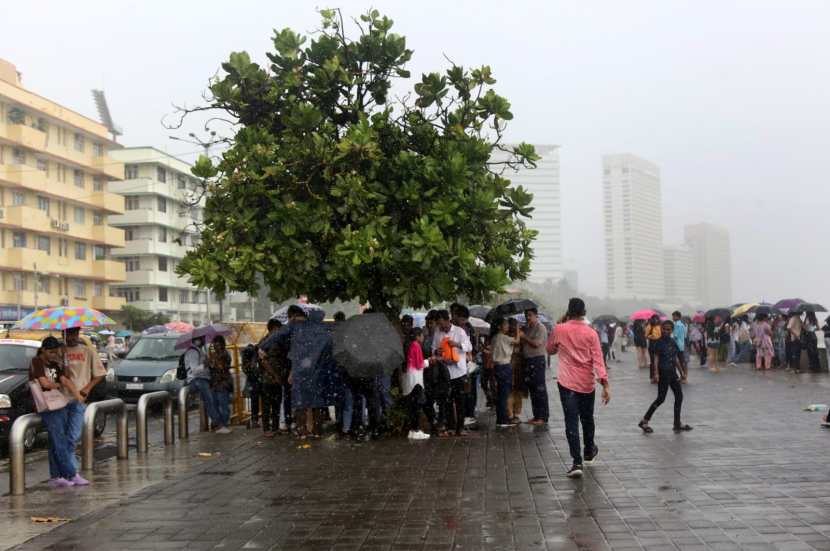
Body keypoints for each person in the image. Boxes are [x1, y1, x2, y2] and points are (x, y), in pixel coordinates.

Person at [549, 298, 610, 478]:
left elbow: (550, 350)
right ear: (584, 312)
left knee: (571, 421)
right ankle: (589, 450)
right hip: (586, 384)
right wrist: (605, 385)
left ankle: (576, 462)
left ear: (568, 311)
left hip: (566, 383)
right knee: (587, 418)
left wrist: (560, 328)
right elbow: (598, 360)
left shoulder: (559, 329)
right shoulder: (591, 333)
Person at [31, 337, 87, 488]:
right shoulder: (36, 361)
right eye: (50, 351)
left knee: (55, 442)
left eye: (55, 351)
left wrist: (78, 396)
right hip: (46, 406)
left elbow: (66, 381)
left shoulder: (56, 364)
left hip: (58, 404)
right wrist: (56, 384)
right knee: (60, 440)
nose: (53, 354)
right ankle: (71, 474)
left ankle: (56, 476)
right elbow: (44, 383)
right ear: (43, 350)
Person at [62, 327, 106, 475]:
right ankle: (69, 469)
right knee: (62, 437)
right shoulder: (59, 352)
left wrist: (87, 388)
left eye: (74, 334)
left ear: (78, 334)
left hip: (79, 398)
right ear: (64, 334)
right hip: (60, 399)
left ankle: (71, 469)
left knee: (73, 436)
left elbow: (99, 374)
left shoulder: (88, 351)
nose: (71, 337)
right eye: (68, 334)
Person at [638, 320, 692, 434]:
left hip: (672, 373)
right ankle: (644, 421)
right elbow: (656, 359)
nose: (666, 331)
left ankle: (677, 423)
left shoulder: (673, 342)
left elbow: (676, 358)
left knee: (679, 396)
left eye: (669, 329)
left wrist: (681, 372)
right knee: (661, 398)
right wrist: (656, 373)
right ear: (661, 329)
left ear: (672, 331)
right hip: (663, 372)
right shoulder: (658, 342)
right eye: (664, 329)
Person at [431, 309, 472, 436]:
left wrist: (457, 344)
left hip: (459, 372)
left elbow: (469, 347)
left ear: (448, 320)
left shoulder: (459, 331)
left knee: (460, 401)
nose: (440, 326)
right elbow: (433, 348)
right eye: (438, 324)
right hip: (445, 372)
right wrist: (436, 352)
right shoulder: (438, 333)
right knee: (447, 401)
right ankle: (451, 427)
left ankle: (460, 428)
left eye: (442, 323)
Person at [184, 335, 222, 430]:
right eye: (201, 339)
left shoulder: (201, 350)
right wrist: (205, 364)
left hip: (204, 378)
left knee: (212, 398)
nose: (203, 341)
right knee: (209, 399)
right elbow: (194, 370)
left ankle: (215, 422)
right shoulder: (193, 351)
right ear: (196, 340)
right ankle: (216, 421)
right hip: (196, 380)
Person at [402, 328, 433, 439]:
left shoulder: (407, 345)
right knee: (417, 406)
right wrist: (429, 360)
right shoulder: (415, 345)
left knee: (412, 406)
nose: (423, 338)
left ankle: (412, 430)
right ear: (418, 336)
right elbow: (419, 364)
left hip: (409, 379)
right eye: (422, 335)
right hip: (416, 380)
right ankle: (415, 430)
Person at [520, 308, 549, 425]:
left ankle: (543, 417)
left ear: (536, 316)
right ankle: (536, 415)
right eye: (526, 315)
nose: (528, 317)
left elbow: (537, 344)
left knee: (539, 389)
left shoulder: (540, 328)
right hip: (528, 361)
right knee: (532, 389)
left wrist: (524, 337)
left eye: (530, 315)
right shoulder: (527, 328)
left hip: (537, 361)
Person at [490, 317, 519, 428]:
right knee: (504, 394)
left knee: (501, 393)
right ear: (500, 327)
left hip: (497, 367)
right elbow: (517, 341)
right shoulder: (504, 338)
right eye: (505, 325)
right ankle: (502, 420)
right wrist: (517, 329)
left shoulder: (495, 338)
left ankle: (501, 418)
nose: (507, 326)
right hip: (504, 366)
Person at [208, 336, 233, 433]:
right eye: (214, 344)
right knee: (214, 405)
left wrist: (214, 360)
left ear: (222, 344)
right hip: (214, 383)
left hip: (223, 383)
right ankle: (218, 425)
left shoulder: (225, 354)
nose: (215, 346)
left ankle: (224, 424)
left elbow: (222, 367)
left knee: (223, 405)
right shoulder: (214, 354)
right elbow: (211, 367)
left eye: (217, 344)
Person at [507, 318, 527, 423]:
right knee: (513, 391)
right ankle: (512, 414)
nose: (513, 328)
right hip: (513, 366)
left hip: (518, 367)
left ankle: (514, 414)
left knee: (516, 391)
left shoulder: (521, 336)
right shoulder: (508, 336)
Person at [671, 311, 688, 383]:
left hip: (676, 345)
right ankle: (683, 377)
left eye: (674, 316)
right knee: (681, 361)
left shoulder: (676, 325)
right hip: (681, 345)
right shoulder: (683, 325)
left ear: (678, 317)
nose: (673, 318)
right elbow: (685, 336)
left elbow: (675, 336)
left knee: (678, 361)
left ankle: (683, 377)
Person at [645, 316, 662, 383]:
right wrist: (650, 336)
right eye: (654, 319)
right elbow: (646, 336)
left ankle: (658, 376)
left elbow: (662, 335)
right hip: (652, 345)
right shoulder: (649, 326)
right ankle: (652, 377)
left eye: (656, 319)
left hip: (659, 344)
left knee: (659, 361)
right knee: (652, 362)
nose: (655, 320)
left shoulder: (660, 326)